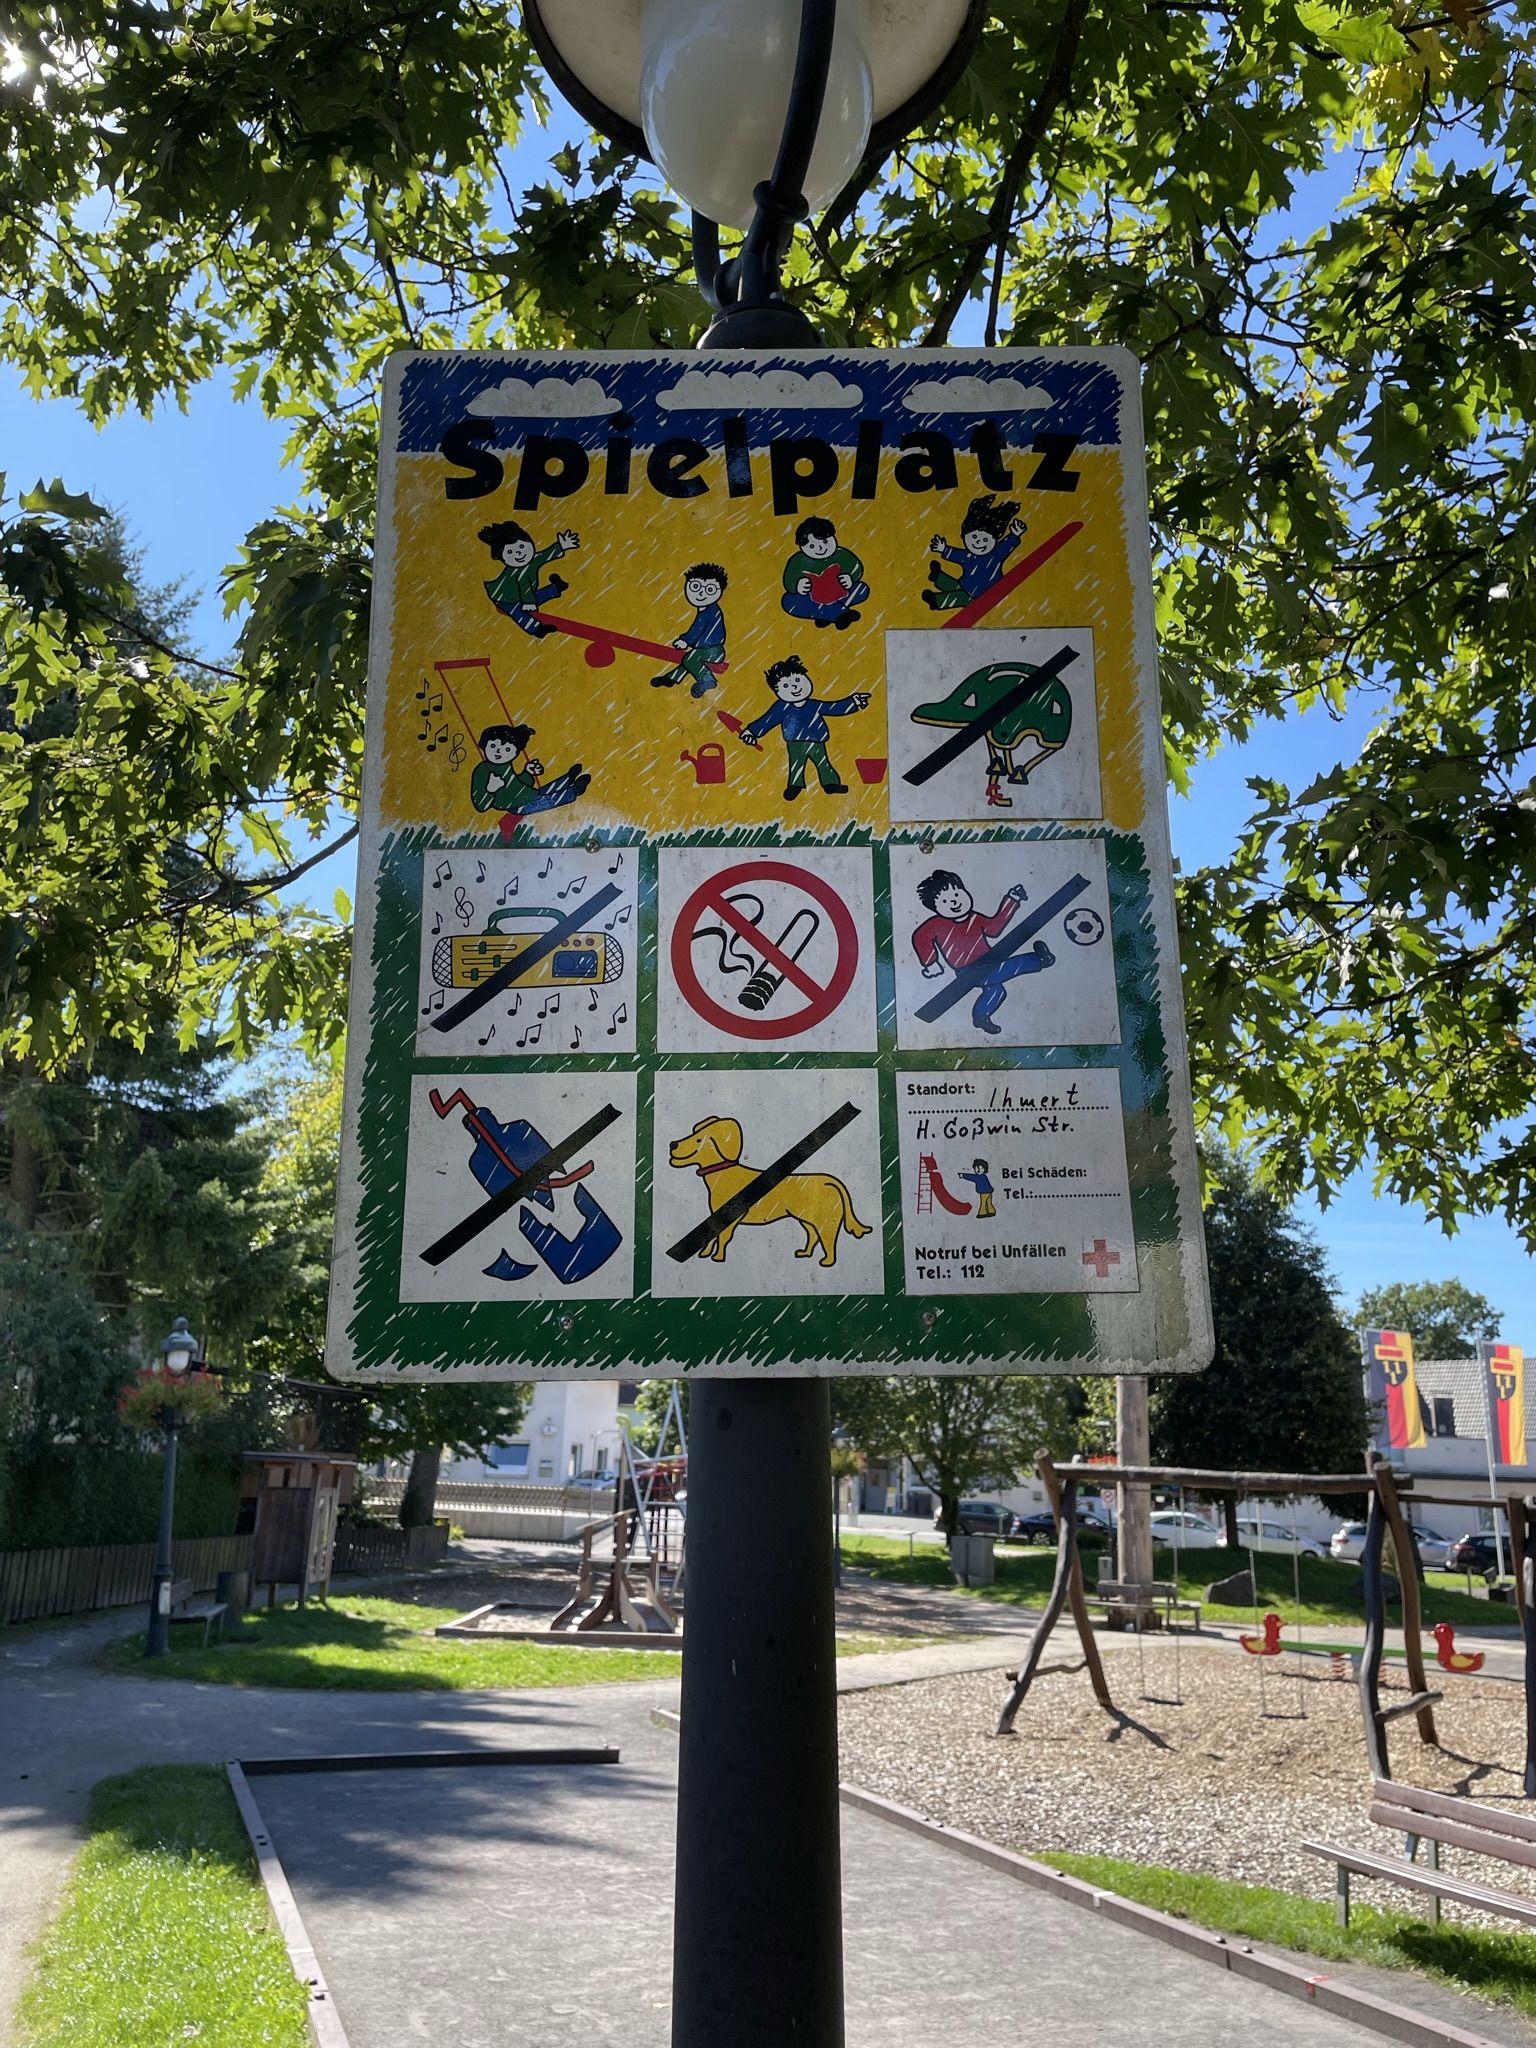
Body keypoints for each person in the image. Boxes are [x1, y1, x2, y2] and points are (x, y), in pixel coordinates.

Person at [912, 870, 1054, 1035]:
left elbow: (994, 929)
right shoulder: (936, 925)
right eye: (944, 901)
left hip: (988, 960)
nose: (954, 902)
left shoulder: (974, 918)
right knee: (1006, 968)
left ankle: (981, 1017)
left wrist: (1012, 900)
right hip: (968, 970)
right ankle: (1039, 960)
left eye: (957, 894)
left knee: (996, 991)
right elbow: (920, 938)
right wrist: (931, 963)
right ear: (936, 908)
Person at [740, 658, 870, 801]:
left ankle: (831, 784)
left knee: (823, 763)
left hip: (816, 740)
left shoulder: (814, 705)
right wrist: (751, 732)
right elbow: (767, 720)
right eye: (785, 685)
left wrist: (854, 702)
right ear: (776, 690)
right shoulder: (781, 707)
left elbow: (833, 708)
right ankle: (795, 785)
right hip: (795, 742)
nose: (795, 687)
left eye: (797, 680)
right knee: (796, 764)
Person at [470, 724, 590, 835]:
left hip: (525, 794)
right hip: (517, 805)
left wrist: (528, 773)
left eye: (507, 750)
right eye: (493, 746)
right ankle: (574, 791)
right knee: (548, 800)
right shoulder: (482, 770)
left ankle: (567, 779)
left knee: (544, 792)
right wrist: (490, 789)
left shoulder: (505, 765)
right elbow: (481, 806)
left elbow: (515, 784)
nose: (499, 752)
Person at [478, 520, 579, 637]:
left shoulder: (532, 560)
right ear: (502, 557)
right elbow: (525, 588)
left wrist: (561, 546)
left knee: (531, 599)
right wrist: (529, 603)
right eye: (510, 552)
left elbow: (544, 555)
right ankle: (536, 629)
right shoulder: (517, 572)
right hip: (504, 598)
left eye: (521, 546)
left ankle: (555, 588)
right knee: (519, 612)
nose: (518, 554)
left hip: (519, 594)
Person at [924, 495, 1024, 611]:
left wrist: (1014, 535)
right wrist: (943, 548)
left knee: (959, 597)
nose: (978, 542)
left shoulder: (995, 555)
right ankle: (938, 577)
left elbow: (1005, 546)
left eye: (985, 539)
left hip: (984, 595)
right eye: (974, 537)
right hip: (966, 586)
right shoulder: (968, 556)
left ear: (994, 540)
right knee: (957, 588)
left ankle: (937, 600)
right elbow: (957, 554)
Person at [651, 562, 729, 696]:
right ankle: (671, 678)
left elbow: (700, 631)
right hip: (706, 649)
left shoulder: (711, 612)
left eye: (709, 590)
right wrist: (687, 641)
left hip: (714, 650)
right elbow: (696, 630)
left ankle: (708, 680)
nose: (701, 593)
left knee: (690, 659)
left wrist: (686, 641)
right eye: (696, 587)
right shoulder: (704, 610)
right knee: (689, 661)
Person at [780, 516, 869, 628]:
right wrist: (798, 586)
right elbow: (789, 581)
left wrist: (850, 578)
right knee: (788, 601)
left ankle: (824, 614)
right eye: (812, 546)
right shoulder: (798, 560)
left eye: (825, 541)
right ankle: (838, 614)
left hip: (839, 594)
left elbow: (856, 568)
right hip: (813, 598)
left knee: (862, 589)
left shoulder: (841, 554)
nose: (820, 548)